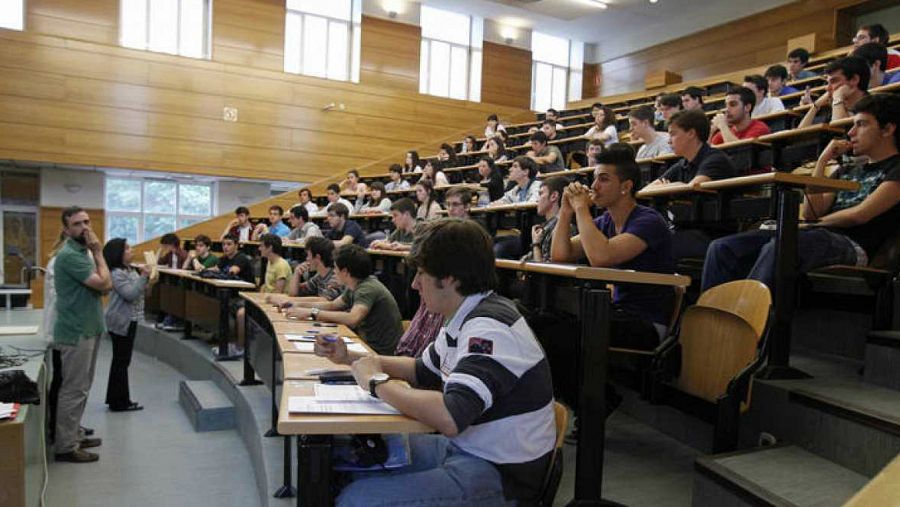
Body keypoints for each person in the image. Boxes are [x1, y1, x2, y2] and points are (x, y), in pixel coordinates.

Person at [314, 219, 556, 505]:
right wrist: (351, 357)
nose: (415, 284)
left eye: (422, 274)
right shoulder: (466, 313)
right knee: (350, 459)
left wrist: (376, 382)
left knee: (357, 500)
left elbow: (451, 417)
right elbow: (420, 369)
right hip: (465, 448)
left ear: (450, 278)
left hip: (499, 475)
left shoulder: (490, 329)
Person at [702, 93, 900, 292]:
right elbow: (811, 212)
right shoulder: (847, 171)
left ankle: (748, 315)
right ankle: (712, 316)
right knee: (722, 248)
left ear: (888, 129)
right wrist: (822, 161)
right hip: (818, 235)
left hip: (854, 245)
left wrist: (810, 224)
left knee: (782, 247)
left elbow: (860, 215)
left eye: (862, 125)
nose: (851, 132)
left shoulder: (896, 168)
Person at [551, 151, 675, 350]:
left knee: (562, 329)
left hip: (646, 322)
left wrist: (582, 209)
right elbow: (560, 255)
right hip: (617, 312)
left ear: (626, 187)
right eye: (594, 179)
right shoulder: (604, 222)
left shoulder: (649, 221)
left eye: (603, 179)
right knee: (548, 318)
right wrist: (565, 212)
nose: (593, 187)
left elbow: (601, 258)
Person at [54, 207, 111, 463]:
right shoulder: (70, 255)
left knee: (83, 387)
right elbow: (105, 284)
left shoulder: (81, 252)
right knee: (73, 389)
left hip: (88, 327)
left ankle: (74, 433)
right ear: (66, 230)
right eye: (78, 224)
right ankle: (66, 446)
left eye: (87, 222)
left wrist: (94, 254)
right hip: (77, 331)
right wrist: (99, 252)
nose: (85, 228)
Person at [287, 244, 403, 356]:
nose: (334, 272)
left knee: (325, 353)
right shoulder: (355, 284)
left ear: (345, 272)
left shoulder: (367, 288)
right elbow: (332, 305)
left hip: (379, 352)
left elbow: (353, 318)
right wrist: (297, 305)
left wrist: (312, 312)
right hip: (367, 345)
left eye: (336, 268)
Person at [102, 238, 149, 413]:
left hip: (130, 319)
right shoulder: (116, 273)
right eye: (127, 249)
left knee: (122, 361)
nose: (132, 250)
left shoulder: (129, 270)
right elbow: (130, 294)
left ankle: (119, 398)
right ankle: (119, 402)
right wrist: (144, 276)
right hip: (121, 321)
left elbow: (139, 290)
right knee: (121, 362)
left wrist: (146, 279)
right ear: (118, 254)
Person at [231, 234, 291, 358]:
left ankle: (241, 348)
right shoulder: (269, 262)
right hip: (266, 299)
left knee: (242, 314)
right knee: (234, 305)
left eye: (262, 246)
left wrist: (260, 299)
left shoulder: (281, 265)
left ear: (270, 248)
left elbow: (278, 293)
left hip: (277, 304)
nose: (259, 248)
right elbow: (266, 286)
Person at [648, 109, 737, 186]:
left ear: (691, 133)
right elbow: (648, 189)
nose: (669, 141)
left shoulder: (716, 159)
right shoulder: (682, 164)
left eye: (673, 134)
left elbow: (692, 188)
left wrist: (674, 185)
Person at [268, 236, 344, 307]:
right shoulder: (320, 276)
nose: (307, 259)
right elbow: (293, 293)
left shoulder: (335, 276)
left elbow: (324, 300)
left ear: (317, 257)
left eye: (308, 255)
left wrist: (288, 301)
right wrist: (297, 273)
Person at [798, 56, 870, 129]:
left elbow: (839, 129)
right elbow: (800, 134)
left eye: (834, 81)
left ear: (854, 79)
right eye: (827, 83)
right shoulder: (836, 109)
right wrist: (816, 105)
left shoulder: (872, 109)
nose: (827, 88)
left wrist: (838, 97)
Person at [526, 176, 570, 263]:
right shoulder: (548, 226)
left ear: (554, 196)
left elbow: (545, 272)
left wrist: (536, 244)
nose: (537, 200)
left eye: (541, 194)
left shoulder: (564, 229)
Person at [155, 233, 187, 332]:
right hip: (172, 280)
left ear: (172, 244)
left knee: (172, 293)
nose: (164, 247)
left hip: (182, 282)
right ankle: (166, 317)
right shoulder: (169, 254)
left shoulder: (183, 254)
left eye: (165, 245)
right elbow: (158, 262)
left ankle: (174, 320)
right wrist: (159, 251)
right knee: (163, 289)